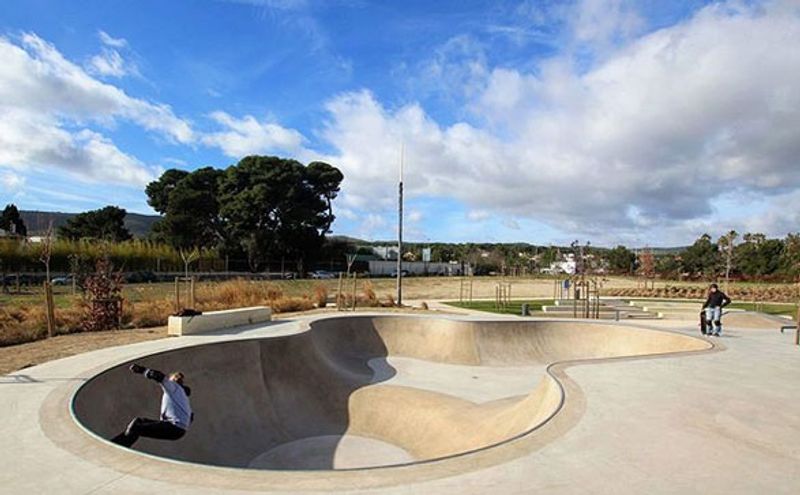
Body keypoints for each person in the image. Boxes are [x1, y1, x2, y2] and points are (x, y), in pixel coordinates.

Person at [111, 364, 193, 448]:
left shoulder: (173, 387)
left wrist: (141, 370)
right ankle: (115, 444)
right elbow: (191, 417)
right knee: (139, 421)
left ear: (173, 379)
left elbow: (159, 376)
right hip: (178, 429)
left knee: (136, 427)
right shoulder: (184, 397)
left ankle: (117, 449)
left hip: (172, 427)